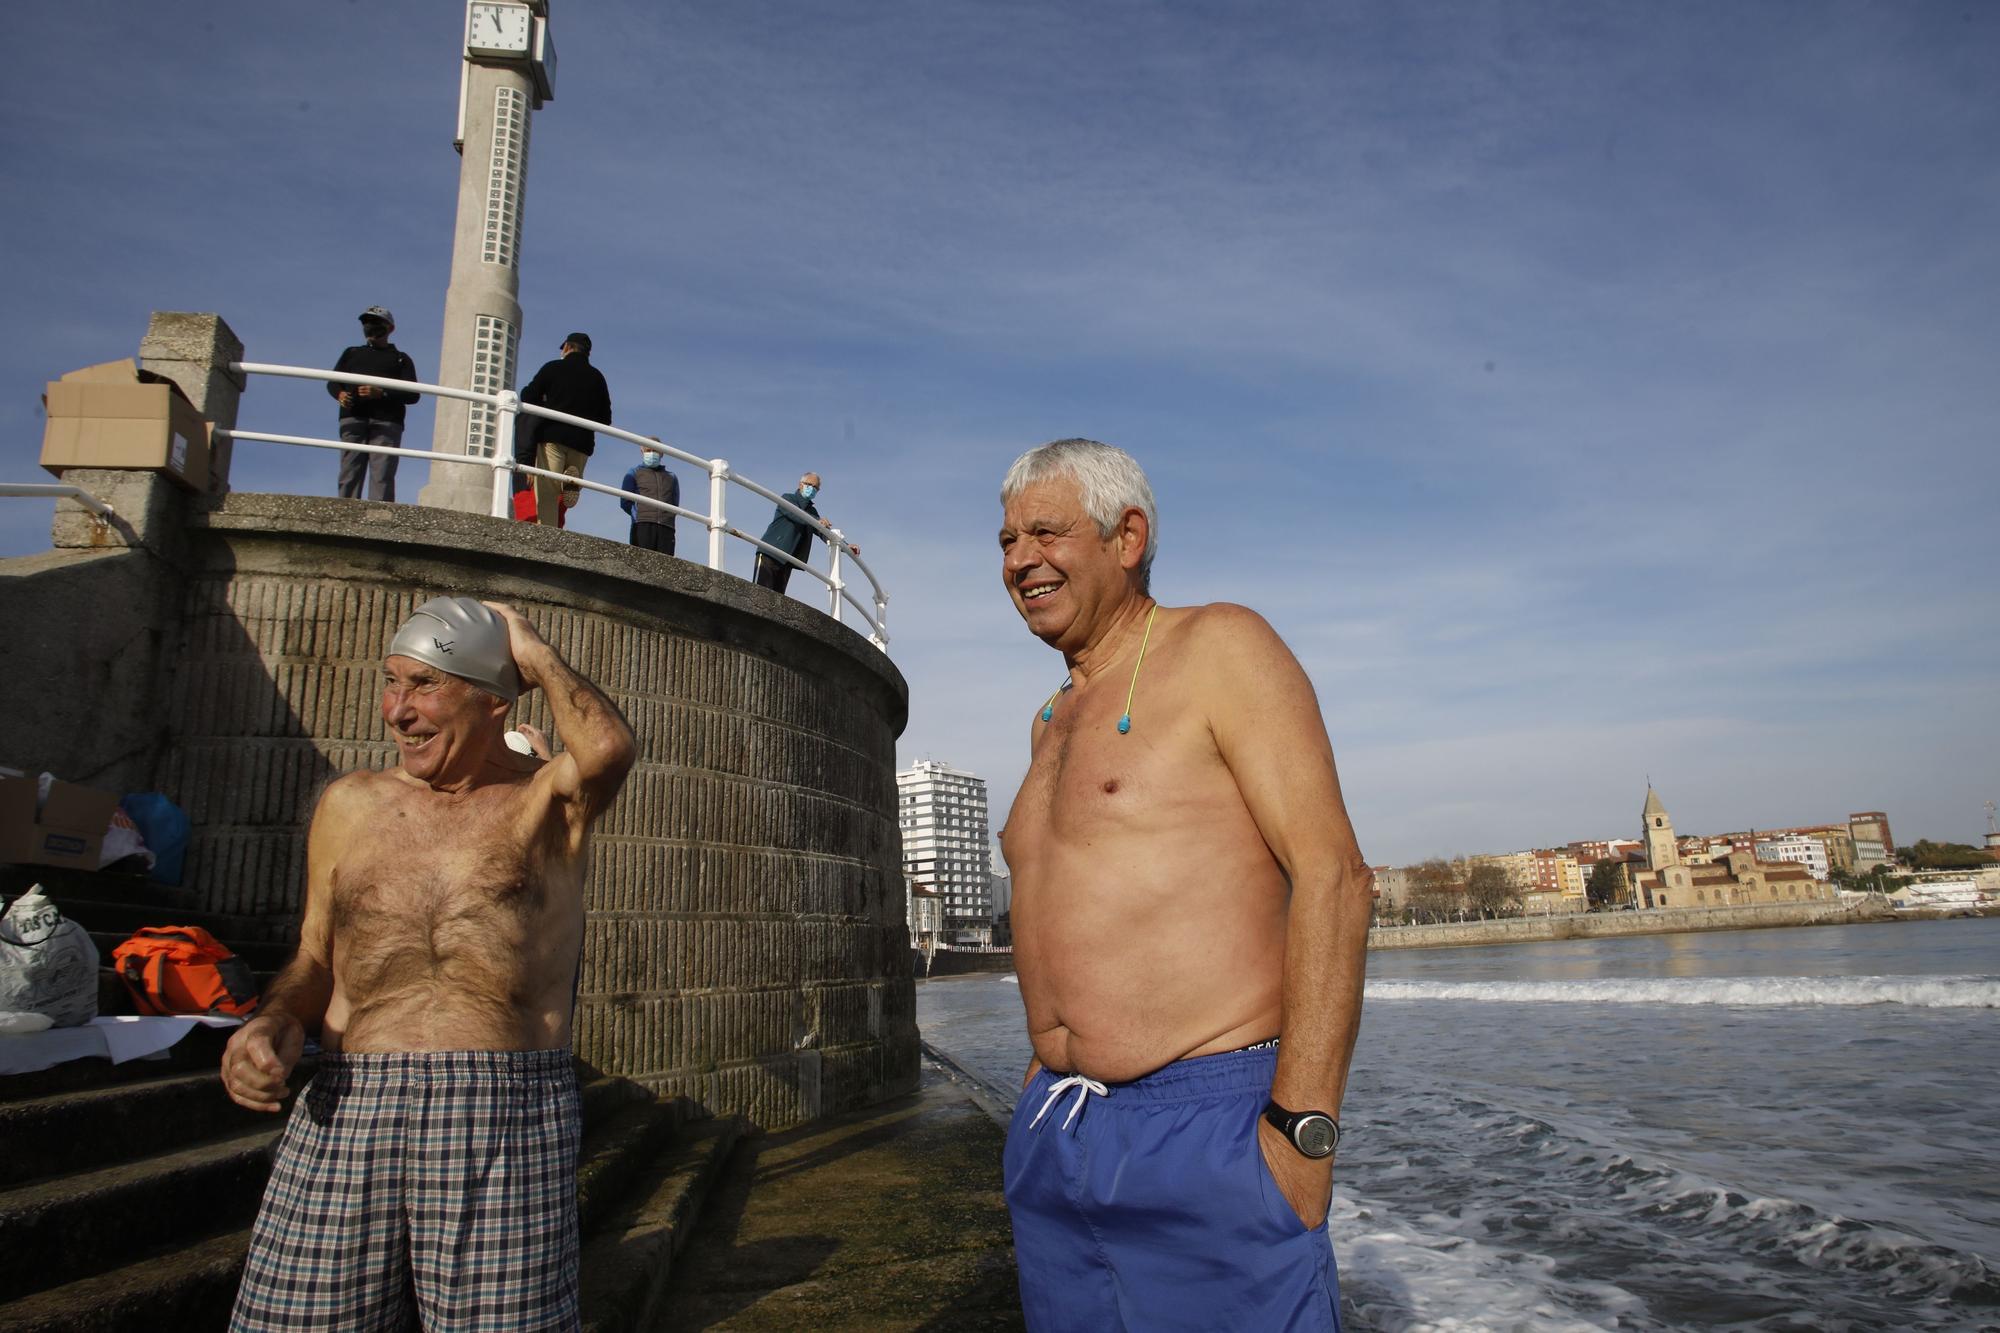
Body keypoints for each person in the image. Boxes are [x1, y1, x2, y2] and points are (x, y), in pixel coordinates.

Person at [995, 438, 1371, 1331]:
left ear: (1128, 536)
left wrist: (1301, 1130)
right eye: (1005, 541)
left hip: (1209, 1123)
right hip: (1059, 1129)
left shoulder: (1221, 646)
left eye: (1044, 533)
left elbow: (1335, 877)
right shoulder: (1047, 720)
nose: (1018, 562)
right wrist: (1038, 1086)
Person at [221, 596, 636, 1331]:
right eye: (392, 682)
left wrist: (531, 648)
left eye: (424, 685)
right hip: (348, 1102)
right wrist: (277, 1018)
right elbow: (315, 951)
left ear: (495, 704)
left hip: (501, 1106)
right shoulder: (351, 804)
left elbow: (606, 748)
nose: (396, 710)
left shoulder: (545, 803)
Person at [519, 332, 612, 527]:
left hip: (552, 436)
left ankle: (548, 533)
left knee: (547, 491)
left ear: (568, 347)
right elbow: (605, 418)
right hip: (582, 442)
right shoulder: (597, 378)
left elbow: (527, 395)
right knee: (564, 491)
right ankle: (570, 481)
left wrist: (546, 400)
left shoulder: (553, 368)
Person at [328, 306, 420, 502]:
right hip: (353, 416)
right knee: (349, 470)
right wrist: (340, 394)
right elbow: (332, 382)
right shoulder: (351, 353)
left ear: (390, 328)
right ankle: (345, 511)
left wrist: (382, 392)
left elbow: (413, 395)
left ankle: (379, 515)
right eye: (366, 323)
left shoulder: (401, 358)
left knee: (383, 473)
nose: (369, 327)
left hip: (387, 422)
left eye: (376, 323)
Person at [752, 472, 855, 594]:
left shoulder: (812, 511)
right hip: (770, 552)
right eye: (809, 485)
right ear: (800, 485)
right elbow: (796, 515)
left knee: (777, 600)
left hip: (787, 560)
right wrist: (817, 521)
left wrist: (845, 546)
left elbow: (823, 532)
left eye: (815, 487)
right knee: (759, 594)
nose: (812, 489)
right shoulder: (787, 498)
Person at [620, 438, 680, 555]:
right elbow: (625, 501)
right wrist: (638, 515)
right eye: (648, 450)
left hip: (666, 527)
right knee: (640, 564)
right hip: (642, 525)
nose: (652, 453)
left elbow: (675, 503)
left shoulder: (671, 477)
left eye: (655, 450)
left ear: (662, 453)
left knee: (665, 567)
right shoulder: (634, 472)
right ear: (642, 451)